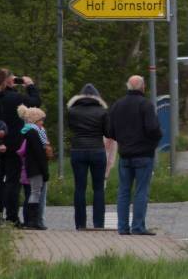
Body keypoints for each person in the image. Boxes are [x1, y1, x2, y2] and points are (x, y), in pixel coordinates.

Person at [0, 68, 40, 226]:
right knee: (12, 181)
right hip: (13, 144)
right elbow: (35, 103)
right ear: (7, 81)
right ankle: (12, 216)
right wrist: (30, 85)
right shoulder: (15, 98)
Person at [107, 75, 162, 236]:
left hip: (125, 155)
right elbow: (152, 128)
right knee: (141, 190)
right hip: (143, 154)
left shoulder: (117, 105)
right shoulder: (145, 105)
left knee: (123, 191)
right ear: (142, 87)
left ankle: (123, 227)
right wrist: (155, 140)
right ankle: (138, 227)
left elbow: (109, 131)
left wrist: (123, 140)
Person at [67, 83, 110, 230]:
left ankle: (80, 224)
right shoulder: (102, 112)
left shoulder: (72, 111)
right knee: (98, 188)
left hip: (78, 150)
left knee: (80, 188)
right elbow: (107, 132)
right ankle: (98, 223)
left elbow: (71, 128)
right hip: (97, 150)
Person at [17, 105, 48, 230]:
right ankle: (33, 221)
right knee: (35, 194)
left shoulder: (27, 132)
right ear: (34, 120)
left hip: (30, 168)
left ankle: (31, 220)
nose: (42, 123)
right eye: (41, 120)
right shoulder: (34, 133)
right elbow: (39, 153)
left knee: (32, 193)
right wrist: (44, 170)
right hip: (35, 169)